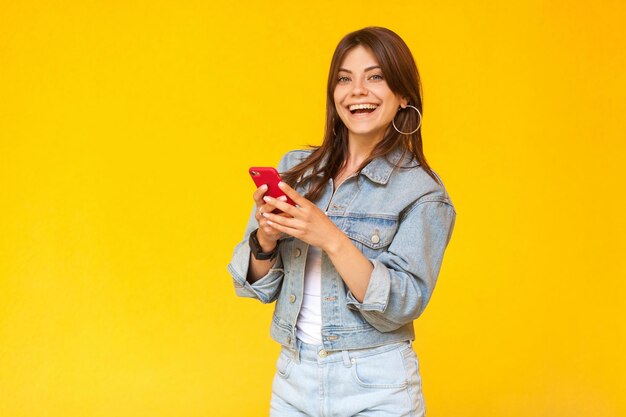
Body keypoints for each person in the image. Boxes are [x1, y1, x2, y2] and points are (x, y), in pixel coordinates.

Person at [228, 26, 456, 417]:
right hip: (294, 378)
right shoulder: (295, 171)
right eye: (344, 79)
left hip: (376, 385)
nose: (358, 91)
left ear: (403, 96)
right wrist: (264, 239)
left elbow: (402, 303)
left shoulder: (423, 193)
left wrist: (331, 237)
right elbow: (255, 287)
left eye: (376, 77)